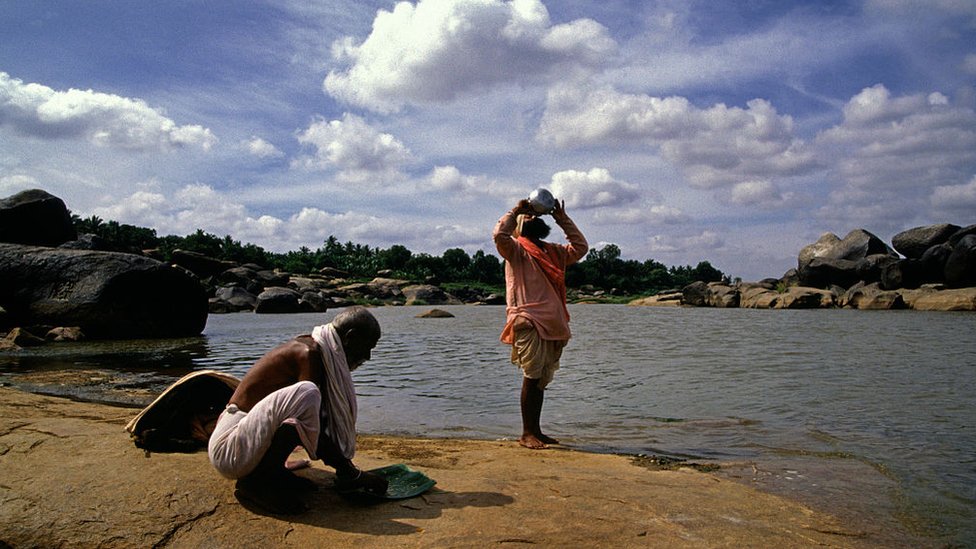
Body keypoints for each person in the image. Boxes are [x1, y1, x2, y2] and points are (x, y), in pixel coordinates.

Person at [208, 305, 388, 514]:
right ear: (349, 337)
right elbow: (317, 423)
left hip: (243, 443)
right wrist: (351, 473)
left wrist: (345, 469)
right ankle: (255, 484)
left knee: (304, 406)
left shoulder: (319, 350)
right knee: (307, 395)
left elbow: (311, 422)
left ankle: (274, 473)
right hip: (229, 451)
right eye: (368, 347)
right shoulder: (309, 354)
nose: (368, 356)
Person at [493, 197, 588, 449]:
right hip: (528, 320)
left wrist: (561, 218)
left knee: (540, 380)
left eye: (536, 215)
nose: (534, 217)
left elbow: (580, 248)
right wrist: (516, 210)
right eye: (529, 217)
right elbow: (499, 234)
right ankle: (527, 433)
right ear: (519, 226)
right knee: (531, 376)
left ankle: (536, 430)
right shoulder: (515, 250)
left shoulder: (553, 252)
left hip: (553, 323)